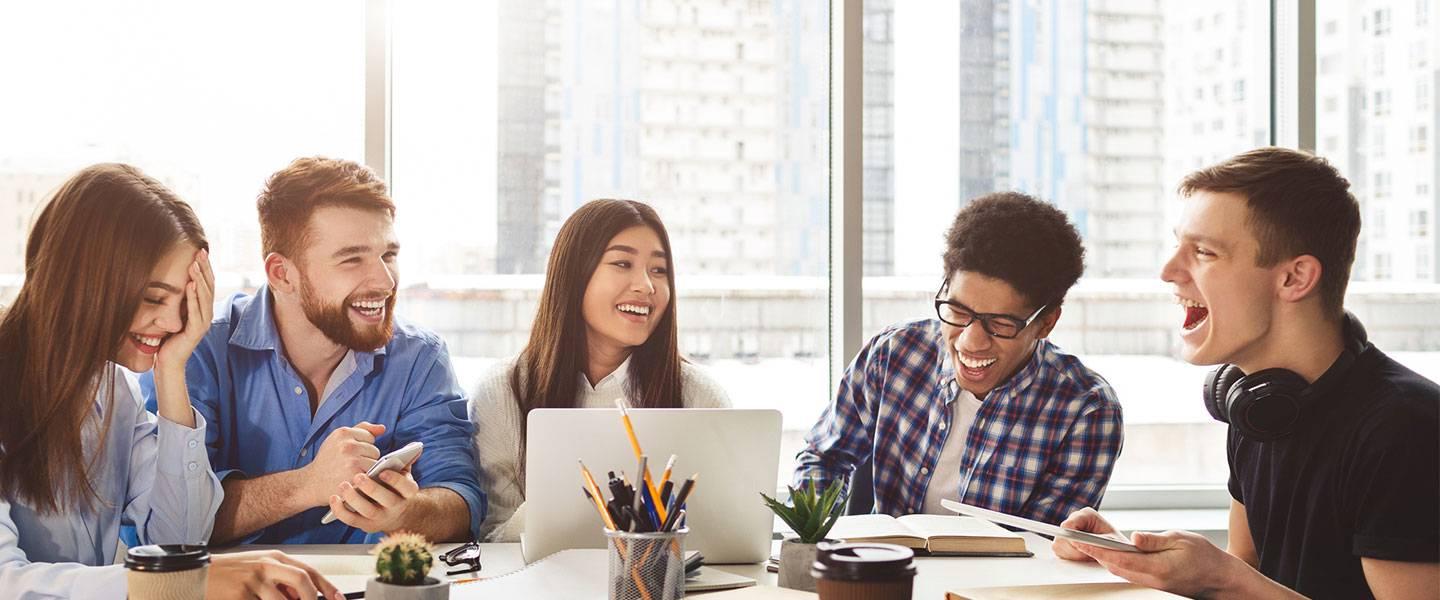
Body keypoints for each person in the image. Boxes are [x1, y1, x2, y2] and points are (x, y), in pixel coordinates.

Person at [1054, 147, 1439, 599]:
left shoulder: (1405, 430)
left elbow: (1236, 581)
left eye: (1203, 252)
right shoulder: (1261, 407)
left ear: (1295, 278)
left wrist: (1222, 576)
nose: (1168, 271)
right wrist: (1134, 557)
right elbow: (1248, 577)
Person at [0, 164, 341, 599]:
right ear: (85, 280)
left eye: (184, 301)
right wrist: (183, 581)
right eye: (154, 298)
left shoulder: (112, 392)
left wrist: (172, 370)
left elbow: (182, 535)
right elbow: (6, 582)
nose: (173, 321)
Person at [143, 157, 483, 544]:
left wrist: (406, 512)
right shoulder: (199, 351)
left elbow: (462, 501)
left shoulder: (420, 358)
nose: (385, 281)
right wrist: (307, 485)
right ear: (282, 274)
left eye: (388, 255)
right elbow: (164, 526)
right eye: (352, 259)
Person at [795, 192, 1123, 523]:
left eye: (1000, 324)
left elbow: (1041, 549)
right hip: (881, 569)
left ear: (1046, 323)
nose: (970, 342)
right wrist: (818, 536)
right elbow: (824, 457)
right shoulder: (892, 354)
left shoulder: (1087, 410)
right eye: (958, 311)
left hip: (1000, 577)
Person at [471, 199, 731, 542]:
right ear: (573, 275)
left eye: (659, 270)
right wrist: (557, 510)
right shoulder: (503, 391)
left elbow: (725, 538)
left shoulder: (700, 396)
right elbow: (492, 538)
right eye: (622, 263)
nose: (646, 286)